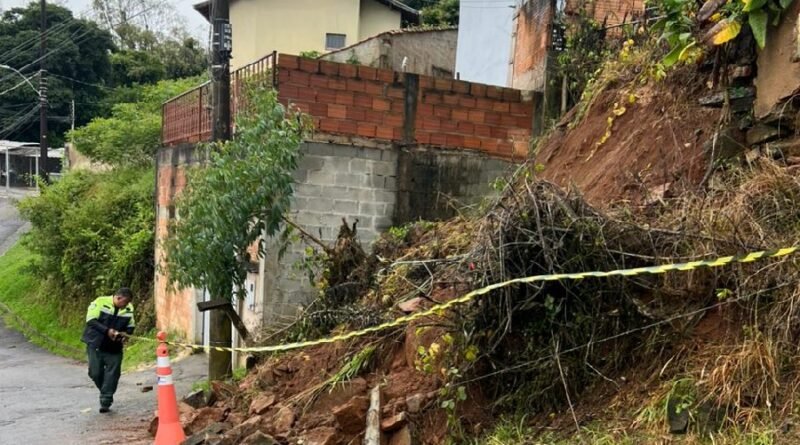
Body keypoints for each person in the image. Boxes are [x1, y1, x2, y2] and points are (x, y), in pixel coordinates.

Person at [81, 287, 136, 413]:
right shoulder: (100, 302)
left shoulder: (129, 308)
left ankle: (106, 400)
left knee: (113, 373)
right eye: (125, 302)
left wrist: (125, 334)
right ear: (118, 298)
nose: (126, 305)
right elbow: (90, 320)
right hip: (96, 344)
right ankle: (106, 391)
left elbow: (131, 326)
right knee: (95, 373)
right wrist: (107, 331)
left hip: (114, 347)